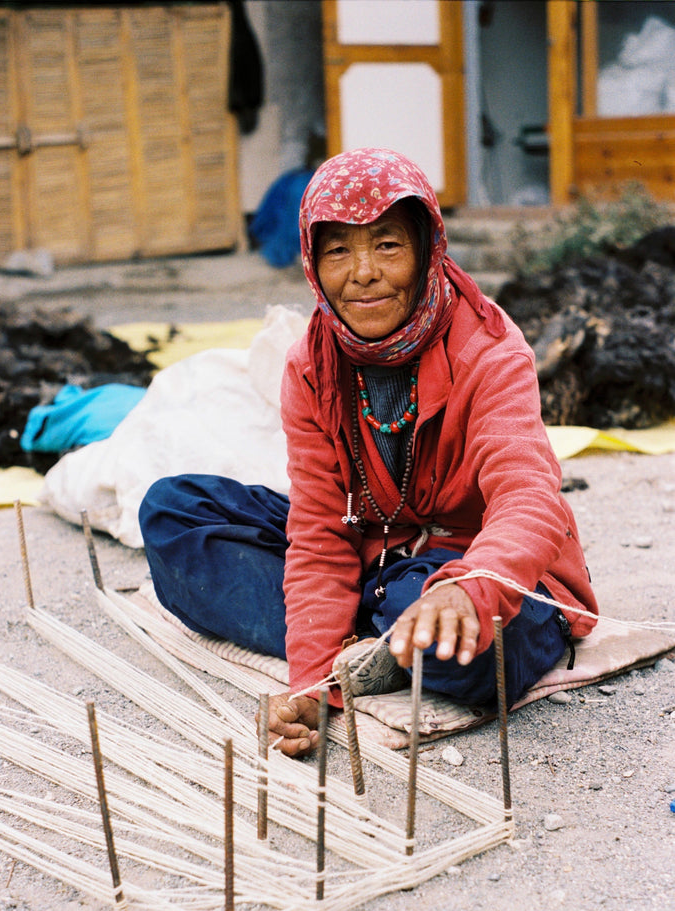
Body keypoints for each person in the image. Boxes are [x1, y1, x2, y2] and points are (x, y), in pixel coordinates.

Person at [139, 148, 598, 757]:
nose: (363, 273)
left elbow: (528, 494)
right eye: (338, 251)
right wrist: (312, 681)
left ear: (427, 250)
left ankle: (398, 625)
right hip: (371, 549)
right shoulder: (312, 364)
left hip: (472, 562)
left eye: (387, 246)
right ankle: (370, 637)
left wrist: (471, 588)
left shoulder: (490, 348)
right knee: (173, 511)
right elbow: (322, 531)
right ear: (312, 263)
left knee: (470, 644)